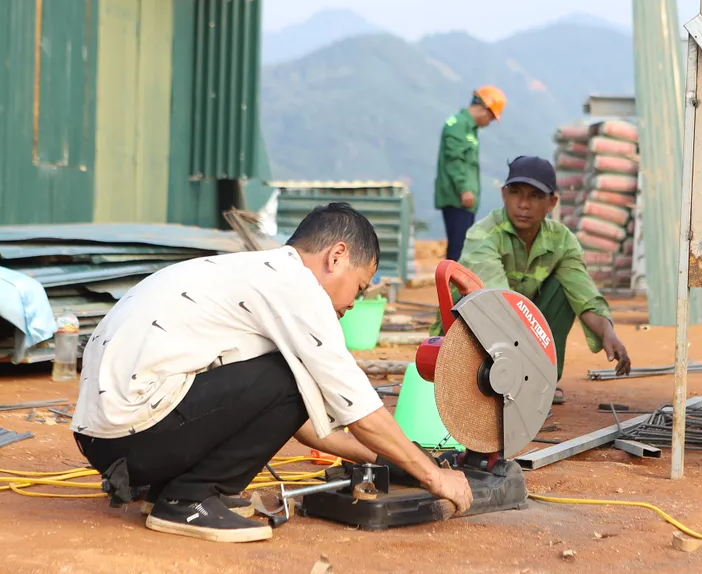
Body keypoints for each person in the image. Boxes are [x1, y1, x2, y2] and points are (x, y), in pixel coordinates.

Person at [71, 203, 472, 543]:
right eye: (360, 287)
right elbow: (357, 407)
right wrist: (434, 477)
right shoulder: (297, 289)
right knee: (296, 377)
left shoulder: (254, 273)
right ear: (336, 256)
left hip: (110, 439)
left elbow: (289, 419)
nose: (353, 302)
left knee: (293, 379)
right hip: (134, 434)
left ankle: (168, 491)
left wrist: (388, 459)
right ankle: (189, 500)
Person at [434, 156, 631, 405]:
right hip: (480, 324)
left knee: (564, 288)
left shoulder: (561, 240)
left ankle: (541, 381)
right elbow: (497, 303)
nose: (524, 204)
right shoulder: (483, 234)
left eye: (536, 196)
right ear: (504, 195)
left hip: (522, 328)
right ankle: (489, 377)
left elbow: (583, 293)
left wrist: (607, 332)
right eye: (516, 193)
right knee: (477, 301)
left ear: (552, 202)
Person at [434, 85, 507, 262]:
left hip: (465, 201)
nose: (489, 122)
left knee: (464, 249)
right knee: (457, 250)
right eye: (491, 117)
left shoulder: (469, 129)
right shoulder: (458, 125)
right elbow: (455, 160)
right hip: (457, 198)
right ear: (484, 109)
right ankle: (451, 288)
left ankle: (460, 288)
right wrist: (464, 189)